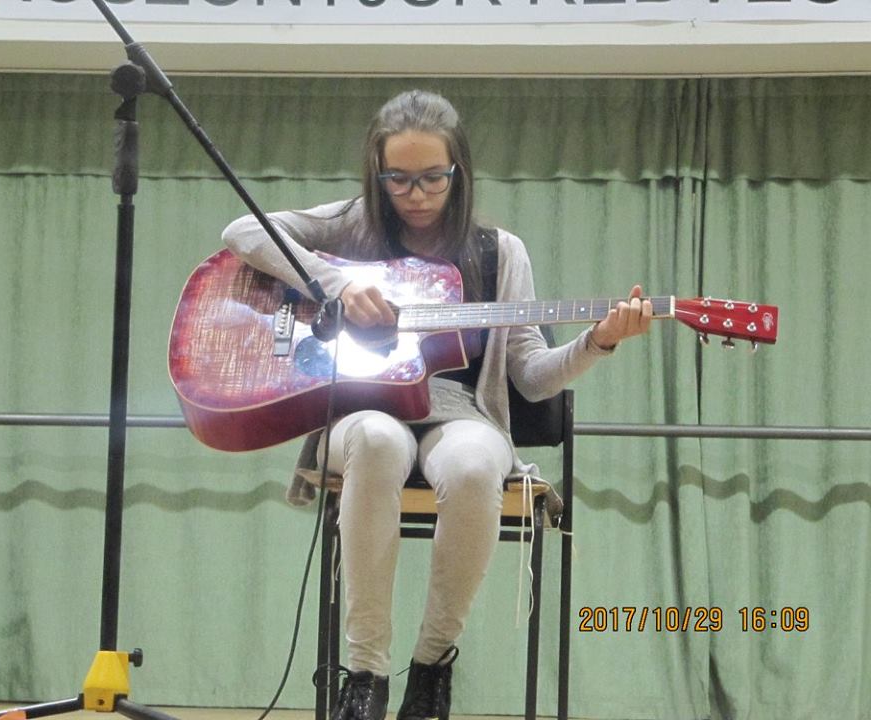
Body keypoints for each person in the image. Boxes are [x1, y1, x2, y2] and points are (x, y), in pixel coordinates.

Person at [223, 89, 652, 720]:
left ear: (459, 172)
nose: (416, 194)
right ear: (377, 173)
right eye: (397, 178)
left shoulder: (499, 252)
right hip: (360, 412)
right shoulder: (351, 225)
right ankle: (366, 674)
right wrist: (338, 284)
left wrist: (598, 341)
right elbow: (240, 232)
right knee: (377, 441)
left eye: (432, 177)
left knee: (476, 464)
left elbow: (532, 377)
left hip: (461, 413)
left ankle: (431, 668)